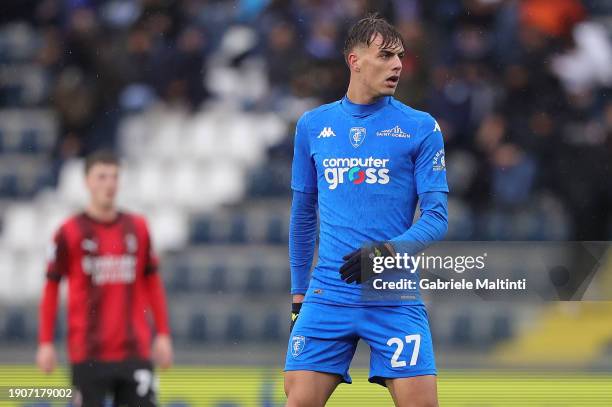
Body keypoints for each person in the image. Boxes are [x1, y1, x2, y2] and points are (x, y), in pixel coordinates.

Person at [284, 15, 448, 407]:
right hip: (328, 294)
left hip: (392, 297)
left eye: (401, 57)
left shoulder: (420, 127)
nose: (397, 65)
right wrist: (297, 292)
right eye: (386, 55)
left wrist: (385, 253)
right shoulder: (313, 125)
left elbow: (437, 217)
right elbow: (303, 214)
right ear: (354, 60)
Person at [36, 150, 173, 407]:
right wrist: (45, 342)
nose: (109, 184)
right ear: (87, 181)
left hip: (135, 349)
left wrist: (163, 333)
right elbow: (51, 287)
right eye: (101, 177)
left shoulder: (138, 228)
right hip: (88, 352)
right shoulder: (69, 232)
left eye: (114, 177)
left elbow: (152, 283)